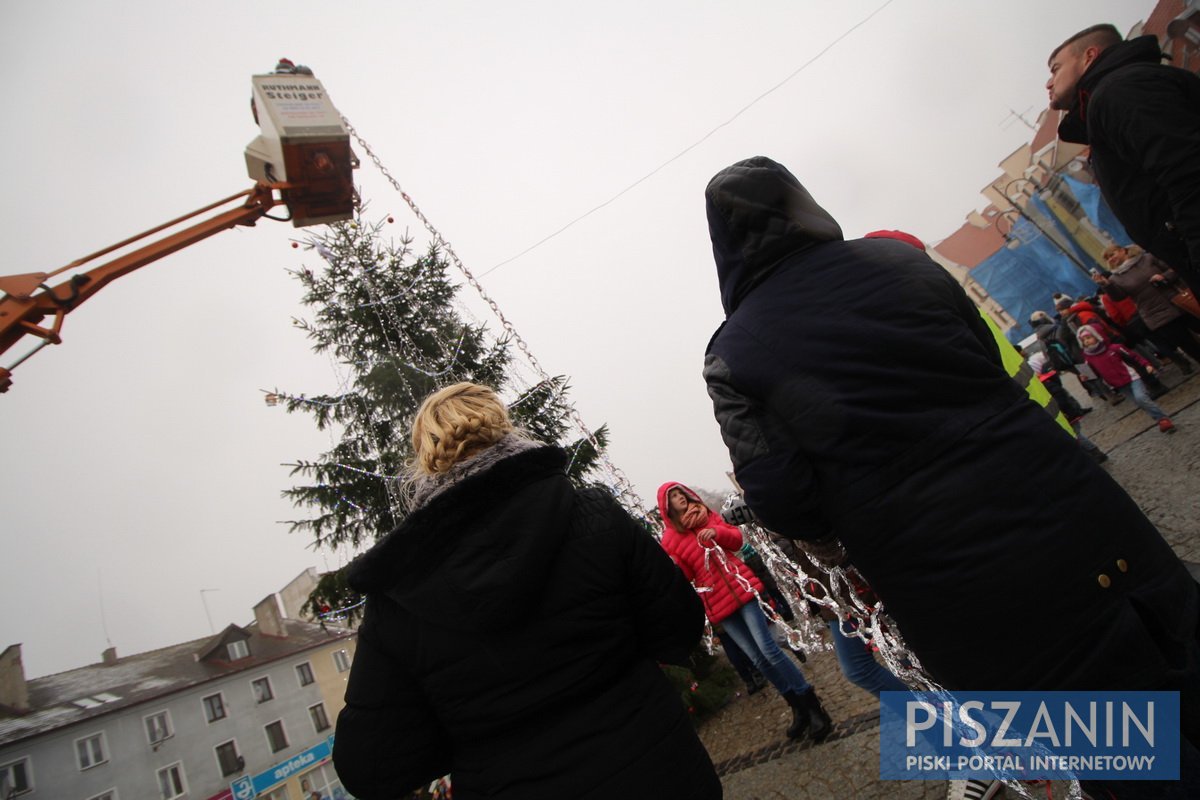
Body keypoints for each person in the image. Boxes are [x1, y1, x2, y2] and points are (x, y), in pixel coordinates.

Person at [701, 157, 1200, 797]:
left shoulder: (733, 353)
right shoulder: (899, 263)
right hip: (1075, 505)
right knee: (1178, 659)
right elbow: (986, 362)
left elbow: (782, 498)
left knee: (1122, 755)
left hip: (964, 580)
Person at [332, 382, 722, 800]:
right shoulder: (593, 516)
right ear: (502, 427)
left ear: (426, 459)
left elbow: (371, 767)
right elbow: (680, 627)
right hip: (659, 770)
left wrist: (469, 733)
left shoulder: (397, 597)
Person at [657, 481, 832, 741]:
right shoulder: (670, 540)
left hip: (742, 588)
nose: (680, 497)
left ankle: (811, 702)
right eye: (673, 496)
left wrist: (715, 532)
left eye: (680, 492)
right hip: (718, 603)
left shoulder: (706, 515)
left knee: (768, 648)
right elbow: (687, 576)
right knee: (757, 658)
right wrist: (672, 567)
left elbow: (737, 539)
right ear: (665, 506)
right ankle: (796, 706)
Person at [1047, 24, 1200, 292]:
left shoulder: (1118, 90)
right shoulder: (1111, 94)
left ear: (1089, 56)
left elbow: (1187, 170)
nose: (1049, 83)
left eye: (1056, 69)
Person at [1097, 243, 1200, 373]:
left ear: (1122, 250)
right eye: (1107, 259)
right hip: (1156, 314)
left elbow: (1173, 269)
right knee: (1189, 345)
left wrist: (1164, 277)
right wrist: (1106, 285)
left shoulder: (1147, 258)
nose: (1111, 259)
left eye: (1112, 254)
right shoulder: (1115, 278)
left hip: (1180, 302)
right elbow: (1118, 297)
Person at [1076, 324, 1177, 434]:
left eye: (1089, 337)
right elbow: (1094, 374)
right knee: (1140, 403)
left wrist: (1146, 364)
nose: (1087, 341)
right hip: (1118, 385)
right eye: (1084, 339)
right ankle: (1160, 420)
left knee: (1141, 398)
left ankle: (1163, 419)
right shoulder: (1088, 358)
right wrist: (1086, 377)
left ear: (1097, 336)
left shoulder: (1114, 348)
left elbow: (1134, 356)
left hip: (1132, 378)